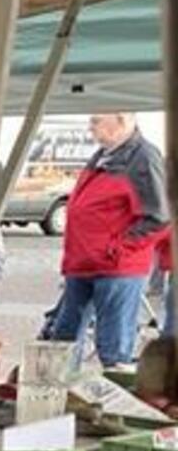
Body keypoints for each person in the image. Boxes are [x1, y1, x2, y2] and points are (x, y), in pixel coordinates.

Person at [46, 112, 170, 369]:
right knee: (63, 340)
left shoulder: (143, 157)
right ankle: (60, 396)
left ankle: (115, 401)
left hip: (115, 268)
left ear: (122, 120)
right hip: (83, 264)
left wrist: (118, 249)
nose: (90, 127)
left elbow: (159, 217)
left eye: (96, 121)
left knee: (113, 347)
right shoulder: (104, 154)